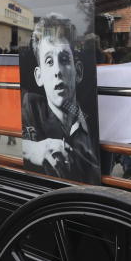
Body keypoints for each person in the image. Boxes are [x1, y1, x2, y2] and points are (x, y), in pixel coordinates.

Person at [20, 16, 100, 184]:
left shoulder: (91, 121)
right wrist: (32, 150)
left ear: (78, 72)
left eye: (64, 59)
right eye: (49, 61)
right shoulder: (31, 107)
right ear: (39, 76)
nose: (57, 70)